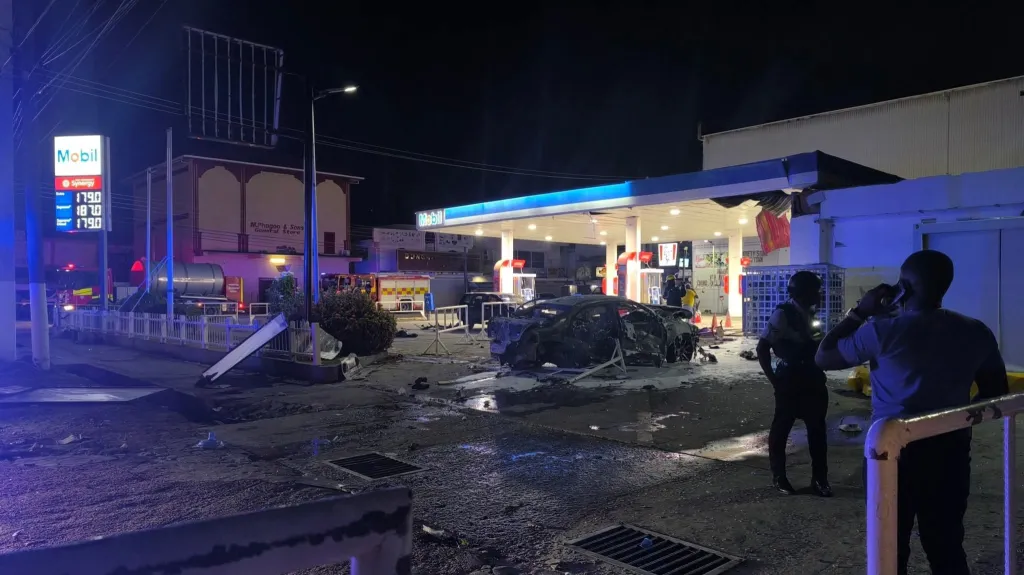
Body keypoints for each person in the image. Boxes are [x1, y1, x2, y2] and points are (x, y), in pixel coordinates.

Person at [815, 249, 1008, 575]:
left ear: (903, 287)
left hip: (891, 454)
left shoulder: (880, 332)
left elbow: (824, 356)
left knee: (890, 545)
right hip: (951, 449)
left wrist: (859, 312)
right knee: (946, 544)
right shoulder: (977, 331)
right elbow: (995, 392)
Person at [755, 271, 832, 497]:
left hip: (812, 377)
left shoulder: (812, 314)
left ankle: (820, 479)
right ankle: (779, 476)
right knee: (782, 429)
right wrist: (774, 380)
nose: (819, 295)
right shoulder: (783, 314)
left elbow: (818, 344)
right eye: (815, 291)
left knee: (817, 431)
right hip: (790, 379)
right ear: (802, 292)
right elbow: (762, 348)